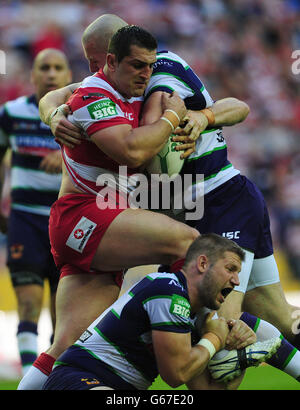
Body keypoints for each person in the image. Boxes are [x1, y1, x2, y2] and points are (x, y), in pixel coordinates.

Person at [38, 15, 300, 387]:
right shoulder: (115, 84)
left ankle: (255, 349)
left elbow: (234, 108)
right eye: (90, 63)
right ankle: (276, 352)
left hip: (219, 202)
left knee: (217, 354)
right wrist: (54, 115)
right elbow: (56, 96)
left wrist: (198, 117)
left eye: (97, 62)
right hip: (199, 211)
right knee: (279, 317)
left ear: (119, 52)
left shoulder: (159, 74)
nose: (92, 71)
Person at [17, 25, 200, 390]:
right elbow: (131, 151)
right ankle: (186, 337)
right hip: (83, 216)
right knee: (191, 245)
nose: (145, 72)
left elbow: (233, 106)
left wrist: (201, 120)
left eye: (149, 65)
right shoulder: (94, 93)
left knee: (66, 345)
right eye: (136, 65)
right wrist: (171, 119)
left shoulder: (141, 84)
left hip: (100, 226)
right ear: (110, 59)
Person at [42, 234, 281, 390]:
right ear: (202, 264)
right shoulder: (166, 290)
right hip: (78, 379)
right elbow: (175, 375)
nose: (237, 281)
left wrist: (240, 355)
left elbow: (206, 389)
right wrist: (216, 338)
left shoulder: (193, 315)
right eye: (230, 269)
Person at [0, 48, 71, 375]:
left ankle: (52, 378)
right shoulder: (11, 113)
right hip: (25, 220)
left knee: (63, 313)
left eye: (58, 68)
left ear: (69, 76)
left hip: (68, 223)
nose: (51, 74)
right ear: (33, 74)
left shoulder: (80, 115)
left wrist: (66, 155)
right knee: (28, 305)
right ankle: (31, 377)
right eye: (45, 67)